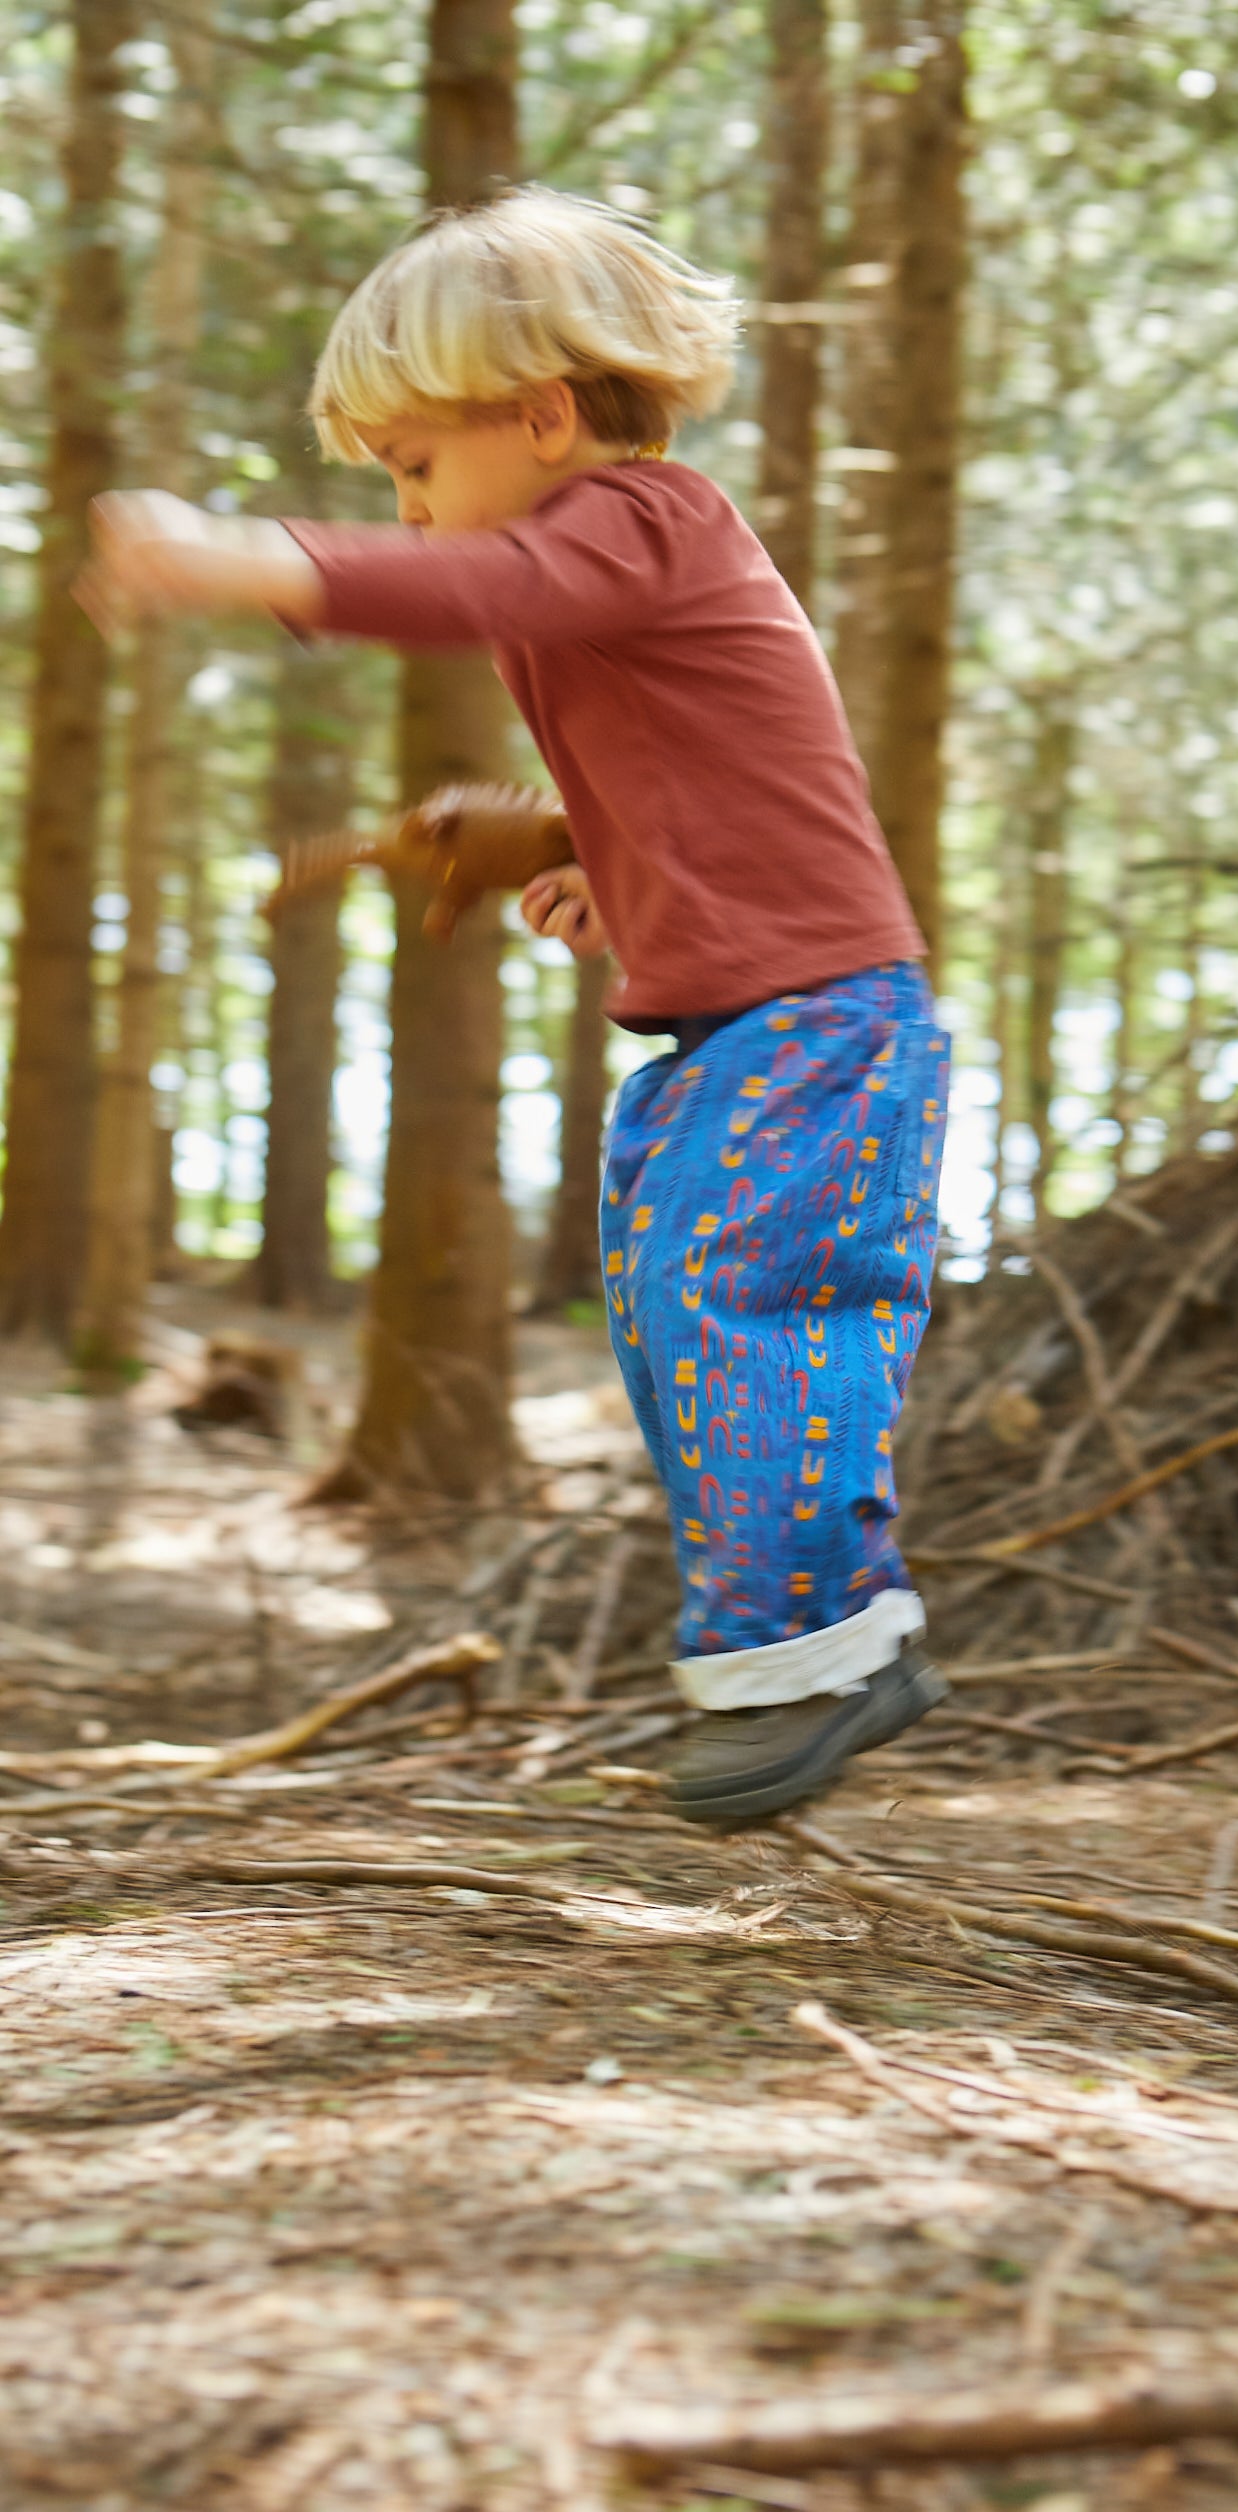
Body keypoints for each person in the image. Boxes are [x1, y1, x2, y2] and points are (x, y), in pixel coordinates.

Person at [84, 188, 950, 1828]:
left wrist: (234, 562)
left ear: (545, 415)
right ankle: (787, 1657)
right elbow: (714, 772)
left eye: (416, 468)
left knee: (740, 1306)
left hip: (821, 1026)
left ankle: (825, 1653)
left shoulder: (650, 519)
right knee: (668, 1319)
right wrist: (588, 855)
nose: (407, 514)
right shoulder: (606, 570)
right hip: (735, 1029)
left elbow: (479, 593)